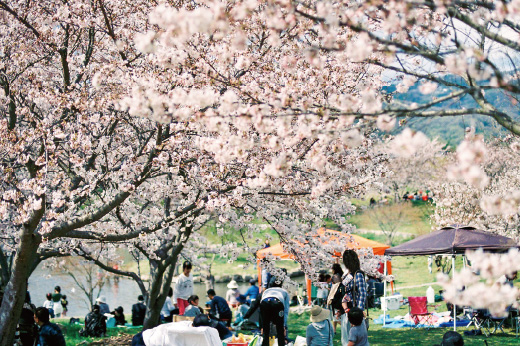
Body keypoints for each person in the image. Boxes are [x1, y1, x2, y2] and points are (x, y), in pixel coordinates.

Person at [245, 276, 290, 346]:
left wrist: (262, 326)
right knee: (280, 331)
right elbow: (286, 311)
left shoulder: (265, 291)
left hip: (265, 303)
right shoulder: (284, 292)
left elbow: (260, 310)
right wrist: (284, 326)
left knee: (266, 333)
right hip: (277, 303)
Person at [341, 249, 367, 346]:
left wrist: (357, 314)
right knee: (346, 339)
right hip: (346, 311)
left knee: (356, 341)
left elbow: (362, 293)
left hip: (355, 314)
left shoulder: (358, 275)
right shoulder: (346, 275)